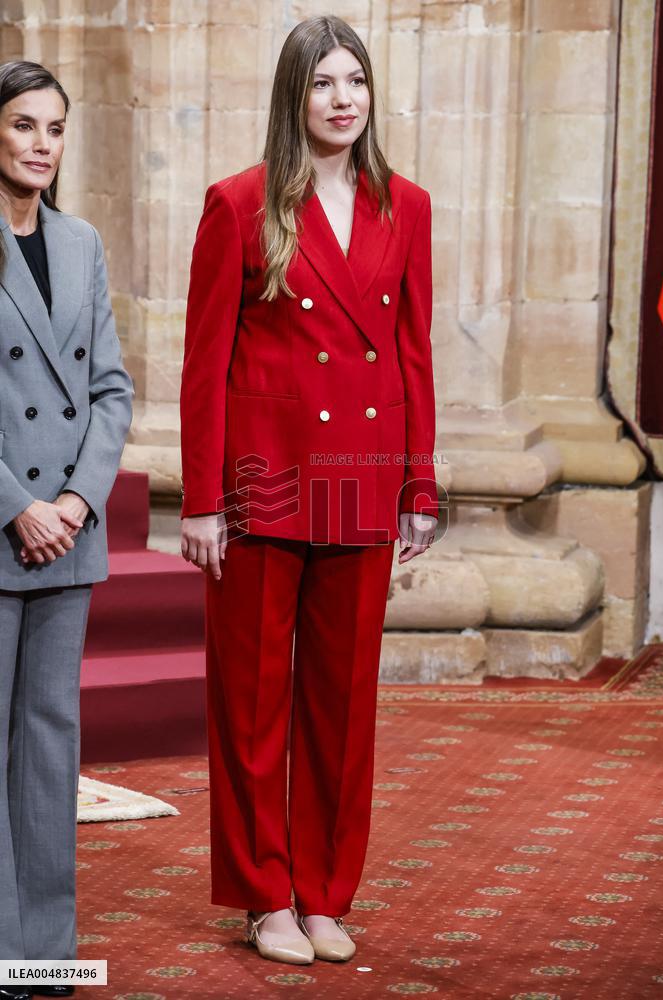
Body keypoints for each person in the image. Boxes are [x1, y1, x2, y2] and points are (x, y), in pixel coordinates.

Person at [180, 15, 439, 966]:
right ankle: (264, 895)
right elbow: (204, 364)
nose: (343, 98)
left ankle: (325, 892)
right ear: (296, 97)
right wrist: (203, 500)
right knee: (252, 706)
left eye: (355, 81)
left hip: (364, 483)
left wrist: (419, 486)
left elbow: (412, 351)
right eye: (324, 82)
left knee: (342, 704)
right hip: (264, 483)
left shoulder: (404, 204)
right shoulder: (238, 203)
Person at [0, 61, 133, 996]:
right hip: (3, 527)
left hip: (69, 536)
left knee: (51, 747)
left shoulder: (81, 242)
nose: (41, 144)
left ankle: (42, 955)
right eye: (21, 126)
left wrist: (79, 503)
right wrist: (17, 506)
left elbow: (112, 390)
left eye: (53, 128)